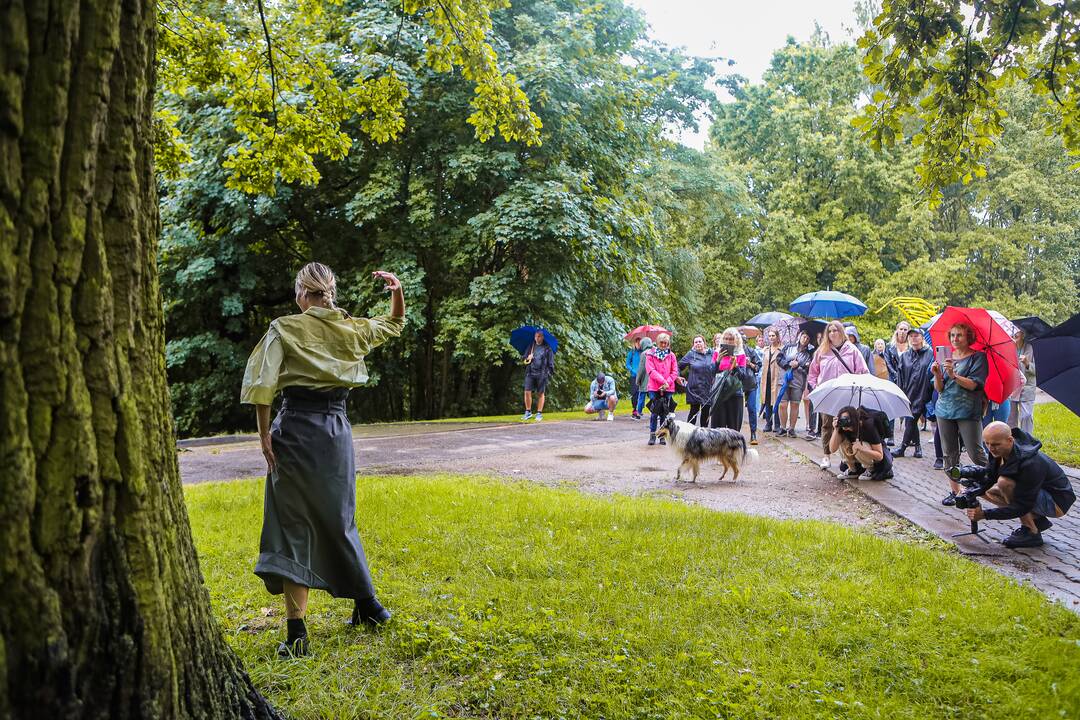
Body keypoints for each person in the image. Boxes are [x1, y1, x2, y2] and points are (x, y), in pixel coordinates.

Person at [241, 262, 404, 658]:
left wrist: (264, 435)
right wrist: (396, 290)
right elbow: (394, 324)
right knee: (339, 519)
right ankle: (369, 606)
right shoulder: (352, 328)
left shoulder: (285, 327)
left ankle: (297, 635)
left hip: (294, 431)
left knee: (291, 525)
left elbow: (263, 387)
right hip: (336, 432)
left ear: (301, 293)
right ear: (330, 292)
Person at [963, 422, 1076, 548]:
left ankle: (1031, 532)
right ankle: (1037, 521)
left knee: (1005, 484)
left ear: (1010, 440)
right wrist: (974, 490)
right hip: (1036, 493)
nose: (991, 448)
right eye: (987, 443)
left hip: (1057, 502)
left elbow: (1022, 506)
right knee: (990, 491)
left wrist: (984, 515)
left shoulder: (1029, 462)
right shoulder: (999, 450)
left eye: (995, 444)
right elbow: (990, 478)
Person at [934, 322, 990, 506]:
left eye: (959, 335)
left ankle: (991, 481)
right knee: (949, 454)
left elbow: (975, 384)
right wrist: (937, 374)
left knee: (975, 452)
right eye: (952, 335)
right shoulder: (945, 357)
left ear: (969, 337)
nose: (955, 339)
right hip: (944, 409)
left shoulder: (978, 358)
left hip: (967, 410)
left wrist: (953, 374)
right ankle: (955, 492)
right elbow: (940, 389)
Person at [807, 320, 870, 469]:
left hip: (848, 394)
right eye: (829, 331)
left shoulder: (852, 350)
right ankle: (826, 455)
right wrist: (817, 388)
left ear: (842, 332)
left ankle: (848, 457)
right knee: (827, 424)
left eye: (835, 330)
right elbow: (812, 373)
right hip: (828, 393)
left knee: (848, 425)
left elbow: (863, 371)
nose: (832, 333)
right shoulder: (822, 351)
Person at [893, 329, 934, 458]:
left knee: (911, 419)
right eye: (911, 336)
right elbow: (900, 375)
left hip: (924, 392)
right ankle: (917, 448)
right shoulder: (905, 356)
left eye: (916, 336)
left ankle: (903, 448)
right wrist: (899, 393)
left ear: (922, 338)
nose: (913, 338)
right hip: (908, 392)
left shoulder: (930, 354)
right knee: (911, 420)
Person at [829, 405, 894, 481]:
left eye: (846, 419)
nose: (844, 422)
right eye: (842, 419)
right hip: (858, 459)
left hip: (874, 459)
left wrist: (862, 449)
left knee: (860, 445)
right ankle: (853, 470)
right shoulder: (842, 428)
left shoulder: (868, 426)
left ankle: (870, 470)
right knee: (843, 443)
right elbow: (832, 449)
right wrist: (836, 429)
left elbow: (879, 456)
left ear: (853, 419)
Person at [709, 328, 753, 432]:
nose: (728, 341)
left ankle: (733, 448)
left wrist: (736, 366)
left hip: (735, 393)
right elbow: (711, 373)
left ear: (736, 340)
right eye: (726, 338)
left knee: (734, 429)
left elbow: (743, 377)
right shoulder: (717, 353)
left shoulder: (741, 354)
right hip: (719, 393)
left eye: (731, 339)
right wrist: (718, 361)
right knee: (717, 429)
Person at [777, 332, 814, 437]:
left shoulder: (809, 353)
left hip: (798, 381)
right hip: (784, 379)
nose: (805, 339)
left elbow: (808, 368)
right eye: (804, 336)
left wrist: (799, 365)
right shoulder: (788, 347)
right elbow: (779, 359)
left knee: (795, 404)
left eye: (808, 338)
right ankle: (783, 427)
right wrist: (788, 364)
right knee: (782, 404)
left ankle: (792, 428)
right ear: (799, 336)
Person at [646, 333, 679, 446]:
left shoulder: (672, 355)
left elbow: (674, 372)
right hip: (654, 387)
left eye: (666, 343)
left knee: (665, 413)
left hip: (668, 388)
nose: (664, 345)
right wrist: (662, 381)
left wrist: (667, 383)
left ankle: (663, 436)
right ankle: (652, 435)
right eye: (662, 343)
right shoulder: (650, 354)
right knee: (654, 412)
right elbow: (650, 370)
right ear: (657, 343)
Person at [679, 335, 718, 426]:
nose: (698, 343)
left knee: (705, 413)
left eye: (700, 341)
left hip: (708, 389)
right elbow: (678, 366)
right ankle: (689, 435)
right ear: (693, 345)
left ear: (704, 343)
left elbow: (718, 367)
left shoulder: (712, 354)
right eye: (696, 342)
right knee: (693, 412)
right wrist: (678, 377)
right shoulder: (691, 354)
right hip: (694, 389)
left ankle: (704, 437)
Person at [522, 330, 555, 421]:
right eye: (536, 336)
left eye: (539, 336)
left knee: (540, 393)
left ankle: (539, 413)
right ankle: (528, 412)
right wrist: (528, 358)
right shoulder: (531, 346)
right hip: (530, 372)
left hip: (542, 374)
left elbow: (551, 363)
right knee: (527, 391)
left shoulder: (547, 348)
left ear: (543, 337)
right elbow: (524, 359)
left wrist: (549, 373)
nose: (537, 338)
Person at [1008, 330, 1037, 434]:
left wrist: (1027, 363)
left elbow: (1038, 370)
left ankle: (1028, 442)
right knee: (1011, 419)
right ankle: (1013, 444)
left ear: (1023, 334)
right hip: (1012, 387)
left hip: (1027, 387)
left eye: (1017, 331)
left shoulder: (1030, 348)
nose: (1014, 334)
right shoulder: (1007, 348)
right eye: (1012, 331)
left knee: (1026, 416)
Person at [759, 329, 784, 433]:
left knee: (776, 402)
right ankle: (768, 423)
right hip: (766, 379)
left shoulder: (782, 349)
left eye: (773, 335)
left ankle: (777, 425)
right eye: (769, 336)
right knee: (767, 401)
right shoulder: (765, 349)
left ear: (777, 337)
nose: (771, 338)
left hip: (776, 379)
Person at [743, 334, 763, 444]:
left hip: (751, 383)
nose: (742, 343)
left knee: (752, 408)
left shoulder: (751, 351)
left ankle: (753, 433)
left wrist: (749, 363)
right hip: (737, 384)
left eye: (744, 340)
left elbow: (758, 366)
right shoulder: (733, 352)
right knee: (736, 411)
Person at [625, 338, 644, 420]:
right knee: (635, 393)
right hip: (634, 375)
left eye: (640, 343)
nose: (639, 345)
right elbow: (627, 364)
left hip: (643, 375)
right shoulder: (631, 353)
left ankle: (640, 409)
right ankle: (634, 409)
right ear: (635, 343)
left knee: (642, 392)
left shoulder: (644, 352)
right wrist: (633, 370)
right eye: (638, 343)